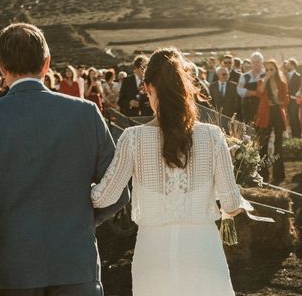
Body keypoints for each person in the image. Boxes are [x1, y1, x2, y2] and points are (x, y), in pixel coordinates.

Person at [0, 23, 128, 296]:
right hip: (76, 265)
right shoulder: (86, 114)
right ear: (46, 63)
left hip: (13, 273)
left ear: (1, 67)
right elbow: (118, 190)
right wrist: (81, 217)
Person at [91, 48, 243, 296]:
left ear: (148, 87)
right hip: (202, 250)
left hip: (154, 254)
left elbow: (104, 198)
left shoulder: (133, 139)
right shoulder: (212, 136)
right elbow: (231, 203)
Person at [255, 59, 289, 184]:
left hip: (277, 114)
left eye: (271, 69)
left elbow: (286, 99)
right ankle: (263, 173)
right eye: (267, 69)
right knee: (263, 143)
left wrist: (281, 102)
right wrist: (266, 79)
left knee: (278, 143)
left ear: (276, 70)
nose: (269, 71)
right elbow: (259, 93)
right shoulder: (262, 81)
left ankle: (279, 173)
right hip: (265, 114)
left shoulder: (282, 83)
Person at [237, 51, 265, 124]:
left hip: (263, 106)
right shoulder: (244, 76)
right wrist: (255, 93)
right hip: (248, 106)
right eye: (254, 62)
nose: (256, 64)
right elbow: (240, 90)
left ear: (262, 63)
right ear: (251, 63)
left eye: (258, 62)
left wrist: (247, 92)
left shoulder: (266, 75)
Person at [286, 58, 302, 138]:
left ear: (293, 65)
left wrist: (294, 96)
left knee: (295, 118)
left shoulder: (298, 76)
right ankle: (292, 135)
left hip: (294, 100)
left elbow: (299, 88)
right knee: (290, 119)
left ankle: (297, 135)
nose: (287, 66)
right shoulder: (285, 75)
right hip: (287, 100)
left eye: (288, 65)